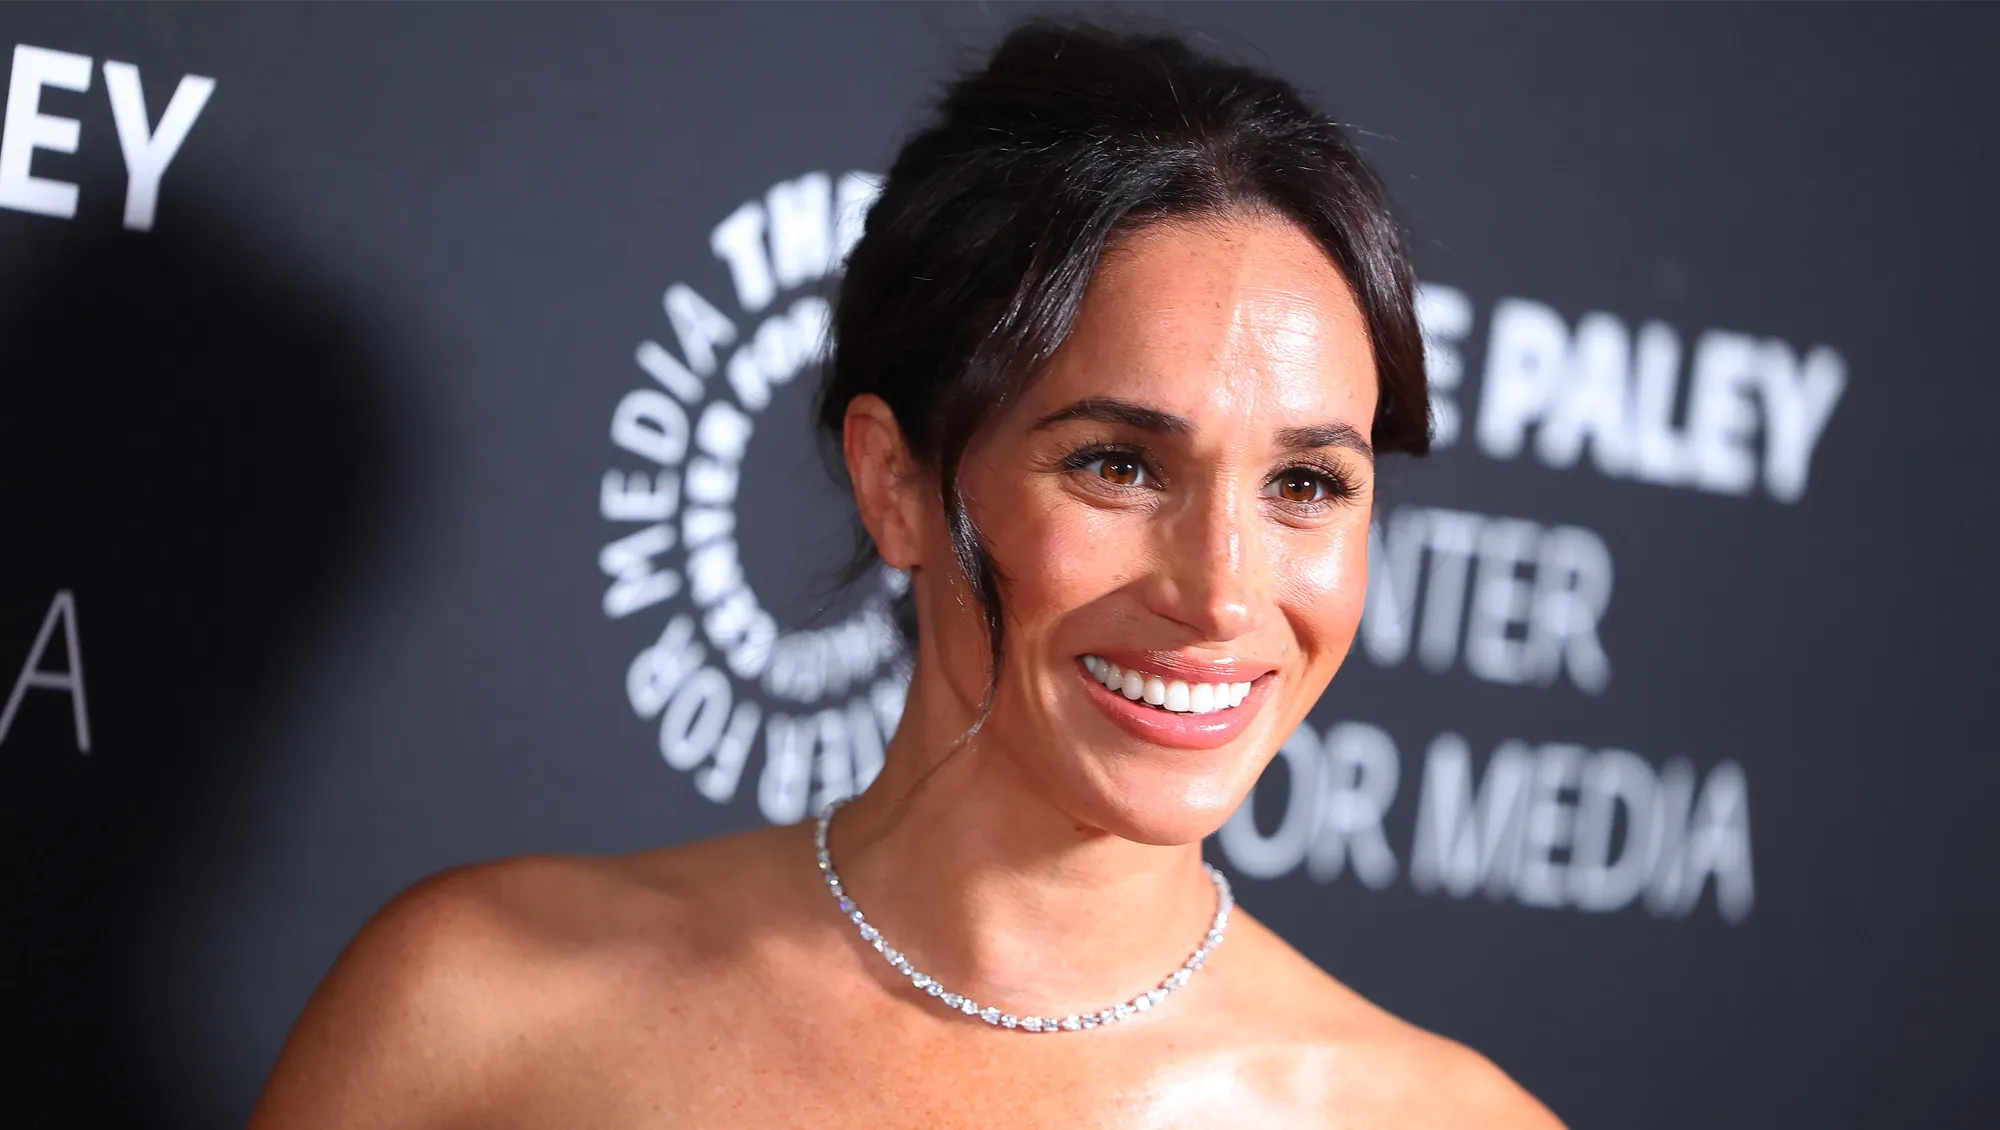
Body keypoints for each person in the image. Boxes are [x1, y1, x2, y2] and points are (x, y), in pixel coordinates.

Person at [250, 20, 1562, 1129]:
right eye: (1116, 464)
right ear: (896, 482)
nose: (1222, 593)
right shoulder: (482, 1011)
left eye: (1306, 483)